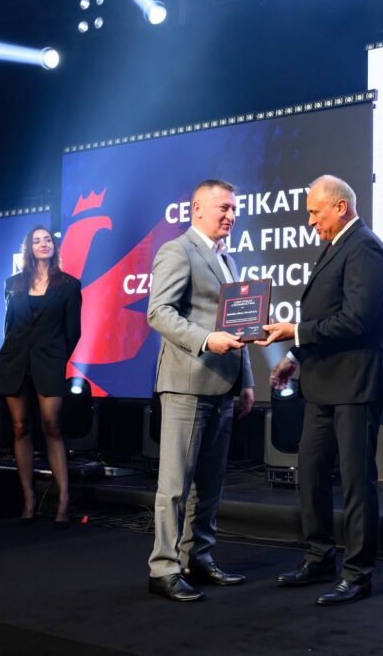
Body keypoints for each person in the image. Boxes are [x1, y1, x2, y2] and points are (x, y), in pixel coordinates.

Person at [259, 174, 383, 606]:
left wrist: (295, 331)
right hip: (321, 384)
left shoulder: (365, 248)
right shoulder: (336, 246)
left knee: (356, 482)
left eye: (315, 212)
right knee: (311, 473)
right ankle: (319, 558)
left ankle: (357, 574)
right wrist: (294, 357)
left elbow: (356, 320)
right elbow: (325, 315)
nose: (310, 221)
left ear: (340, 206)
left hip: (355, 384)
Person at [146, 179, 255, 602]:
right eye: (223, 207)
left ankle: (198, 558)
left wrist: (247, 380)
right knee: (175, 485)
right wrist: (206, 339)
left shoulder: (226, 258)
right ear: (197, 208)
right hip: (187, 382)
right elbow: (159, 312)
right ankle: (163, 568)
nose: (231, 215)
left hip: (223, 385)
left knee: (209, 485)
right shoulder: (178, 250)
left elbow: (239, 325)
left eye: (234, 209)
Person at [0, 226, 82, 529]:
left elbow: (73, 332)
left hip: (49, 361)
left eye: (47, 240)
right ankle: (29, 501)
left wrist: (56, 357)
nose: (43, 244)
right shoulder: (13, 284)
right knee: (20, 427)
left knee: (51, 425)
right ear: (28, 248)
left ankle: (63, 501)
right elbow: (9, 326)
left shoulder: (69, 285)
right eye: (36, 240)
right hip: (14, 360)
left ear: (54, 247)